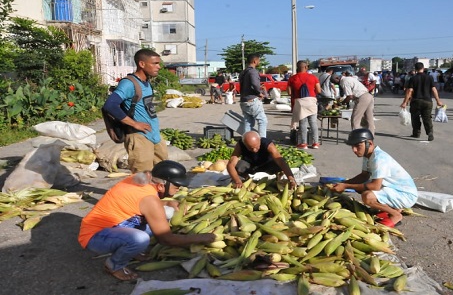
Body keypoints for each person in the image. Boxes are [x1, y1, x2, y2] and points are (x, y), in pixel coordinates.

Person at [78, 160, 216, 281]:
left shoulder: (140, 179)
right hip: (94, 236)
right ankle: (114, 266)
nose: (178, 190)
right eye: (176, 187)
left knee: (160, 218)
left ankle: (131, 250)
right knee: (140, 239)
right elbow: (166, 239)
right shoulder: (149, 199)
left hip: (112, 225)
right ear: (161, 185)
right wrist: (202, 238)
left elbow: (138, 202)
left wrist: (167, 203)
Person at [330, 129, 418, 227]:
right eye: (352, 146)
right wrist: (344, 183)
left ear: (370, 143)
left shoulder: (379, 159)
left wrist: (346, 186)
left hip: (406, 195)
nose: (354, 150)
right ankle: (391, 208)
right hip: (395, 190)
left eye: (357, 146)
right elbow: (364, 175)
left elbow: (375, 186)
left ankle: (396, 215)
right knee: (362, 186)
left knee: (367, 196)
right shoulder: (368, 155)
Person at [102, 48, 167, 173]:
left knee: (162, 173)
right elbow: (110, 105)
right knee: (143, 177)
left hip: (154, 136)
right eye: (155, 63)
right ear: (142, 64)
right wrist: (134, 123)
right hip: (139, 137)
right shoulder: (129, 83)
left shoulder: (146, 82)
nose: (159, 67)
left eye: (158, 63)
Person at [226, 131, 297, 189]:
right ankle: (245, 178)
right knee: (240, 165)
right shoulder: (240, 144)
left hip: (267, 165)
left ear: (259, 141)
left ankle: (277, 178)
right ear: (245, 144)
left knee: (278, 164)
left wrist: (291, 179)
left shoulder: (267, 144)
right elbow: (230, 164)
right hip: (250, 166)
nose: (254, 150)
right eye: (250, 148)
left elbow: (280, 161)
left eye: (256, 147)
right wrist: (237, 181)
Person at [400, 62, 444, 141]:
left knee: (415, 118)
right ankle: (430, 132)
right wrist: (438, 101)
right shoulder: (429, 77)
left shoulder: (413, 78)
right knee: (427, 118)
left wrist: (405, 102)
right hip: (427, 101)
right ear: (423, 68)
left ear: (415, 70)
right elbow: (433, 89)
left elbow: (409, 91)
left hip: (416, 101)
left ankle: (416, 133)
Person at [287, 60, 321, 149]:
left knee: (303, 123)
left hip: (300, 102)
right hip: (311, 101)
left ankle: (303, 143)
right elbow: (319, 90)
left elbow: (289, 92)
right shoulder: (313, 77)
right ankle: (316, 143)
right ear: (306, 67)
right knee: (313, 122)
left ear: (297, 67)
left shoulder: (292, 78)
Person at [238, 53, 268, 137]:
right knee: (262, 120)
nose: (259, 62)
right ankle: (263, 142)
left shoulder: (243, 72)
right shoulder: (253, 71)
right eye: (259, 60)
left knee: (248, 122)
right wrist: (259, 93)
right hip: (252, 101)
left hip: (244, 100)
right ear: (255, 61)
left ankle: (246, 142)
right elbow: (255, 84)